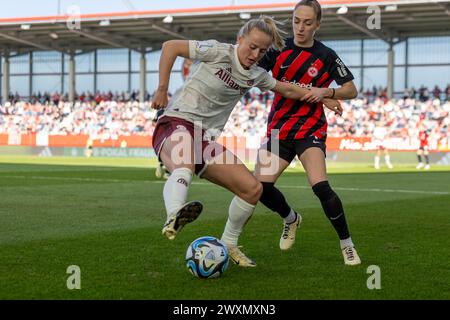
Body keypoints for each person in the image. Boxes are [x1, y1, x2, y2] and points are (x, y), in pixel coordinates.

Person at [151, 16, 342, 267]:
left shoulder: (256, 75)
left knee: (252, 188)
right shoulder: (217, 51)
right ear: (239, 39)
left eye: (262, 50)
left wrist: (324, 96)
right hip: (176, 122)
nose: (256, 54)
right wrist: (162, 88)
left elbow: (288, 89)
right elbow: (170, 47)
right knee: (183, 160)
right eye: (252, 46)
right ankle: (174, 213)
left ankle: (229, 243)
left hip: (205, 139)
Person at [253, 0, 361, 266]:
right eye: (296, 21)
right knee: (259, 187)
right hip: (279, 129)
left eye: (307, 23)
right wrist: (320, 96)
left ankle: (347, 244)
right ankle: (291, 218)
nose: (300, 27)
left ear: (318, 25)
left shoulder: (326, 55)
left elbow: (351, 90)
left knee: (320, 185)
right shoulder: (277, 49)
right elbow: (255, 77)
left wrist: (327, 92)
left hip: (309, 130)